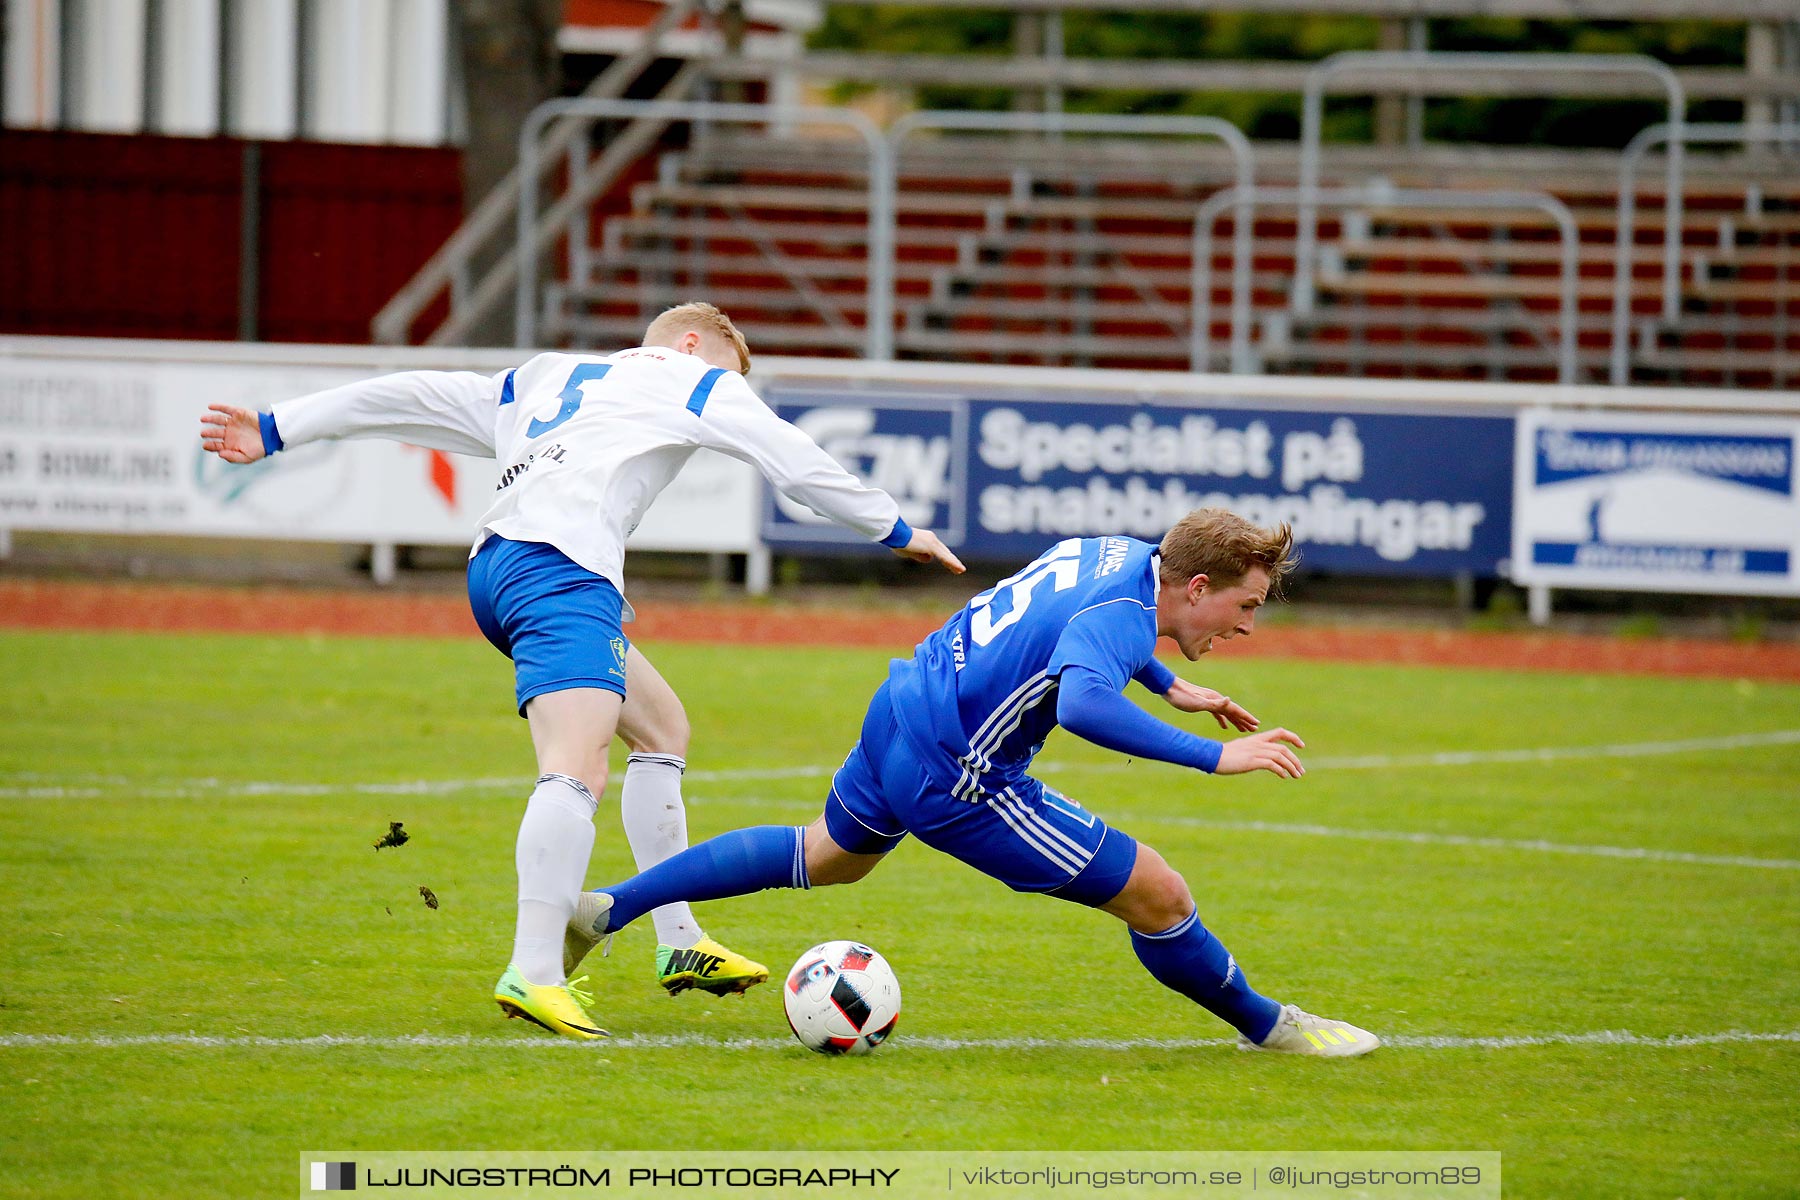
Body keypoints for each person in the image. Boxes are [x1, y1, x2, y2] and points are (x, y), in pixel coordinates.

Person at [199, 302, 965, 1040]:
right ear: (692, 344)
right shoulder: (693, 377)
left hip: (502, 568)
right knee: (576, 769)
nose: (732, 392)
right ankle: (533, 970)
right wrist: (895, 529)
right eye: (732, 373)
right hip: (559, 571)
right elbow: (793, 463)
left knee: (663, 728)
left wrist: (276, 426)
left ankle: (678, 938)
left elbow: (415, 396)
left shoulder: (545, 375)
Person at [566, 509, 1379, 1056]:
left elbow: (1073, 633)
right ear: (1196, 587)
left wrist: (1170, 685)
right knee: (1160, 894)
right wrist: (1214, 756)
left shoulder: (1112, 555)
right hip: (959, 774)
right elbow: (1089, 702)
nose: (1246, 625)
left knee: (827, 855)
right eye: (1245, 605)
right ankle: (1275, 1029)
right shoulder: (1125, 616)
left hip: (903, 706)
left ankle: (610, 907)